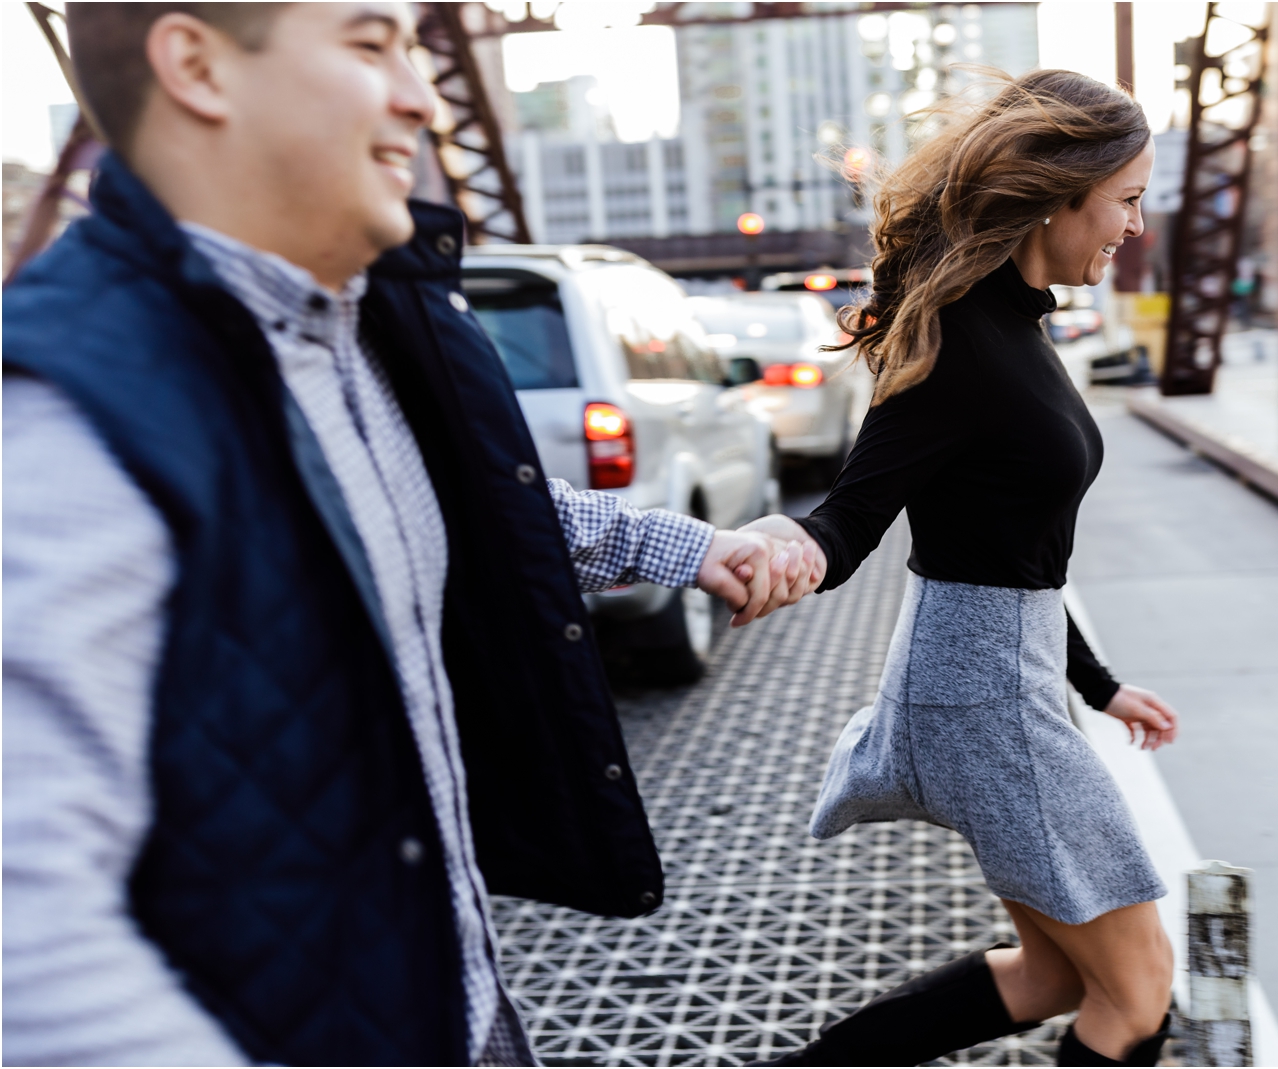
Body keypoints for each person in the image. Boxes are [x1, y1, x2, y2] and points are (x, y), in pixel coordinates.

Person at [2, 4, 817, 1065]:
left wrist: (685, 550)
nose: (422, 97)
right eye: (369, 42)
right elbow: (31, 951)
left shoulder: (368, 322)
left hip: (458, 1001)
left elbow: (479, 508)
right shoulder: (65, 416)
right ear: (197, 67)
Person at [742, 71, 1182, 1067]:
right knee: (1140, 987)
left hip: (997, 673)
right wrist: (780, 549)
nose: (1132, 225)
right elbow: (854, 516)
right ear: (1056, 193)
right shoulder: (962, 344)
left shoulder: (1013, 322)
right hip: (981, 694)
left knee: (1055, 975)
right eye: (1124, 199)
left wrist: (1100, 687)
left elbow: (1010, 550)